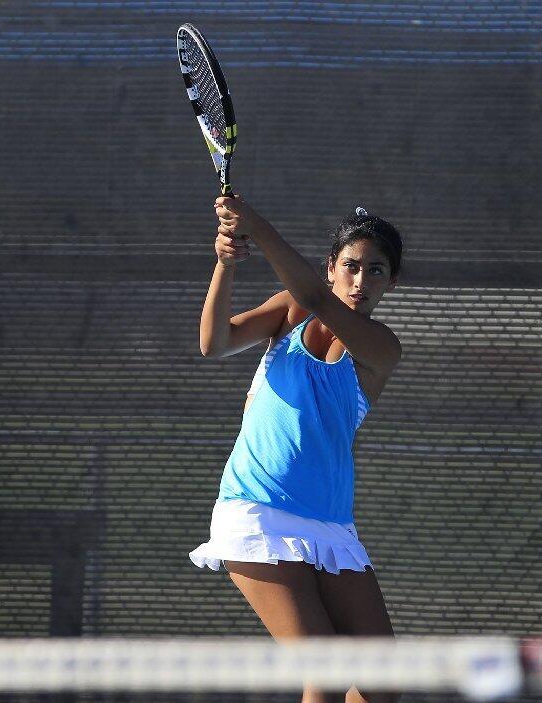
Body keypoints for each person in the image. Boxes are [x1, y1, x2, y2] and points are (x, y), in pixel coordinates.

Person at [189, 196, 403, 703]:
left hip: (331, 527)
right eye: (350, 266)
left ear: (390, 283)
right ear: (332, 267)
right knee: (325, 674)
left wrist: (256, 225)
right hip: (257, 511)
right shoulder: (290, 310)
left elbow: (320, 300)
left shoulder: (381, 348)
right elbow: (214, 342)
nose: (360, 280)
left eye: (375, 271)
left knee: (381, 685)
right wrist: (224, 263)